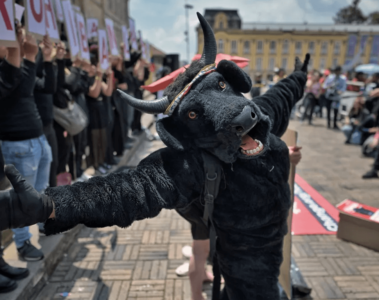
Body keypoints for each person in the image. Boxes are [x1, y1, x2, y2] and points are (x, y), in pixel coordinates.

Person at [0, 13, 310, 300]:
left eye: (220, 85)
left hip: (273, 244)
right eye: (192, 113)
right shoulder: (194, 164)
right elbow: (124, 191)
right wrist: (50, 204)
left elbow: (280, 96)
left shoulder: (262, 118)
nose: (237, 119)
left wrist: (299, 76)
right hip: (246, 265)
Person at [0, 31, 51, 262]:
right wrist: (28, 55)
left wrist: (44, 57)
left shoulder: (14, 66)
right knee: (21, 199)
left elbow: (44, 85)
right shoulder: (6, 69)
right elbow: (22, 87)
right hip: (18, 143)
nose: (18, 41)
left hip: (37, 139)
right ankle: (22, 243)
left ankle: (43, 223)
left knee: (41, 189)